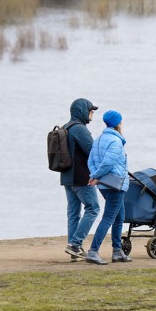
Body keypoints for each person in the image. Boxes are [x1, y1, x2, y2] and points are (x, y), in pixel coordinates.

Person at [85, 110, 132, 265]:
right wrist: (96, 176)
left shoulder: (98, 140)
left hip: (104, 185)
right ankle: (93, 251)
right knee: (109, 218)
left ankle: (117, 251)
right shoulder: (116, 141)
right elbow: (107, 163)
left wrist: (95, 175)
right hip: (115, 184)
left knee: (119, 217)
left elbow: (90, 161)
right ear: (118, 123)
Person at [61, 98, 100, 261]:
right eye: (91, 111)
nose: (92, 115)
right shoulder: (80, 129)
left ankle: (73, 248)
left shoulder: (66, 127)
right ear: (83, 112)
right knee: (93, 208)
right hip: (81, 176)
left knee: (73, 213)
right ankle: (75, 244)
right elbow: (93, 151)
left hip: (66, 177)